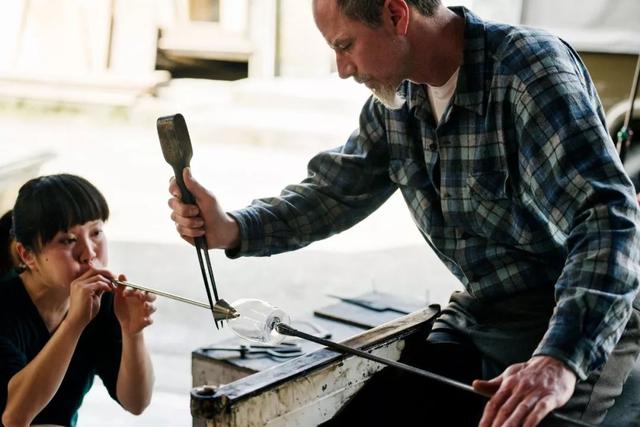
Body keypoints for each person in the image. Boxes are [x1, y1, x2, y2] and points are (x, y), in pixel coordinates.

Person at [167, 0, 640, 425]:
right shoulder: (399, 101)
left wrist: (559, 362)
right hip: (481, 316)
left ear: (396, 15)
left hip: (579, 319)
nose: (342, 69)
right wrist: (232, 228)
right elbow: (333, 192)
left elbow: (607, 221)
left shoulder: (529, 72)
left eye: (345, 45)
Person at [0, 174, 156, 427]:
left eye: (96, 232)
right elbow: (15, 418)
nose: (89, 253)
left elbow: (136, 403)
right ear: (27, 255)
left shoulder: (101, 303)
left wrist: (132, 332)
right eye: (68, 240)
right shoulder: (6, 309)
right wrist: (74, 323)